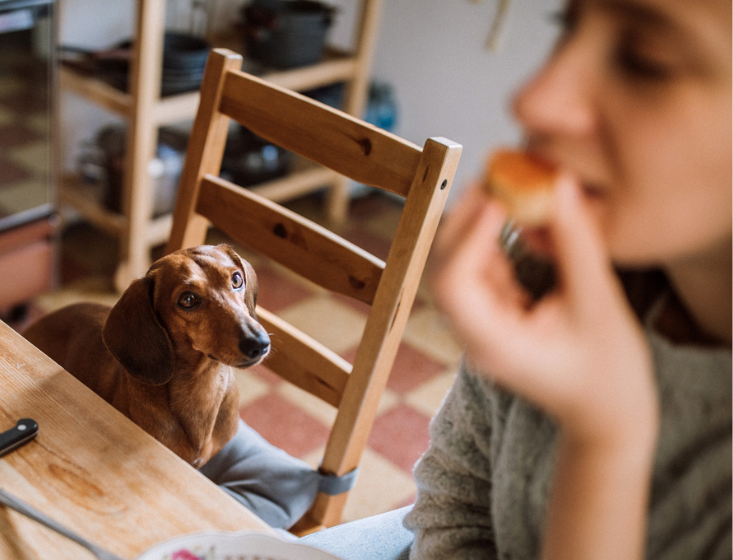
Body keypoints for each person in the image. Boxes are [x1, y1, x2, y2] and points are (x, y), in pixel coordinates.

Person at [301, 0, 731, 558]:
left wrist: (603, 442)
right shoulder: (542, 267)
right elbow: (455, 504)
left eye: (646, 59)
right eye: (567, 25)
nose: (532, 100)